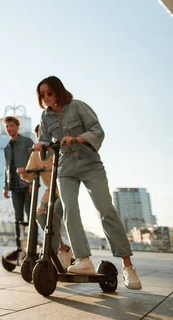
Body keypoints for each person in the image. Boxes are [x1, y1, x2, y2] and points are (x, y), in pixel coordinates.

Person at [33, 76, 141, 289]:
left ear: (58, 91)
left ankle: (128, 267)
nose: (46, 98)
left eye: (49, 93)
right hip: (65, 168)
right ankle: (83, 259)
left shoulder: (78, 107)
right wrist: (42, 147)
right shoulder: (45, 118)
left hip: (90, 164)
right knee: (69, 210)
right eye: (42, 95)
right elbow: (46, 144)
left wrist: (77, 138)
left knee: (105, 210)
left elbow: (97, 131)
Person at [18, 124, 72, 269]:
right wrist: (24, 172)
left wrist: (54, 167)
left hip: (64, 190)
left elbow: (70, 167)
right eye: (39, 136)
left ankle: (51, 256)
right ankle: (61, 248)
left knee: (52, 217)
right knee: (40, 215)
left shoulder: (59, 148)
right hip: (50, 192)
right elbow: (30, 176)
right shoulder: (36, 154)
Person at [2, 116, 34, 254]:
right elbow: (6, 168)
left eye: (11, 126)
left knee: (31, 216)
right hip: (14, 187)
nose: (9, 129)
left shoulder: (27, 142)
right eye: (7, 127)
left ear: (17, 126)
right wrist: (5, 187)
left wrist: (33, 181)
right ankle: (20, 248)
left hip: (28, 184)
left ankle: (32, 246)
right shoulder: (7, 148)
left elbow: (35, 161)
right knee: (18, 218)